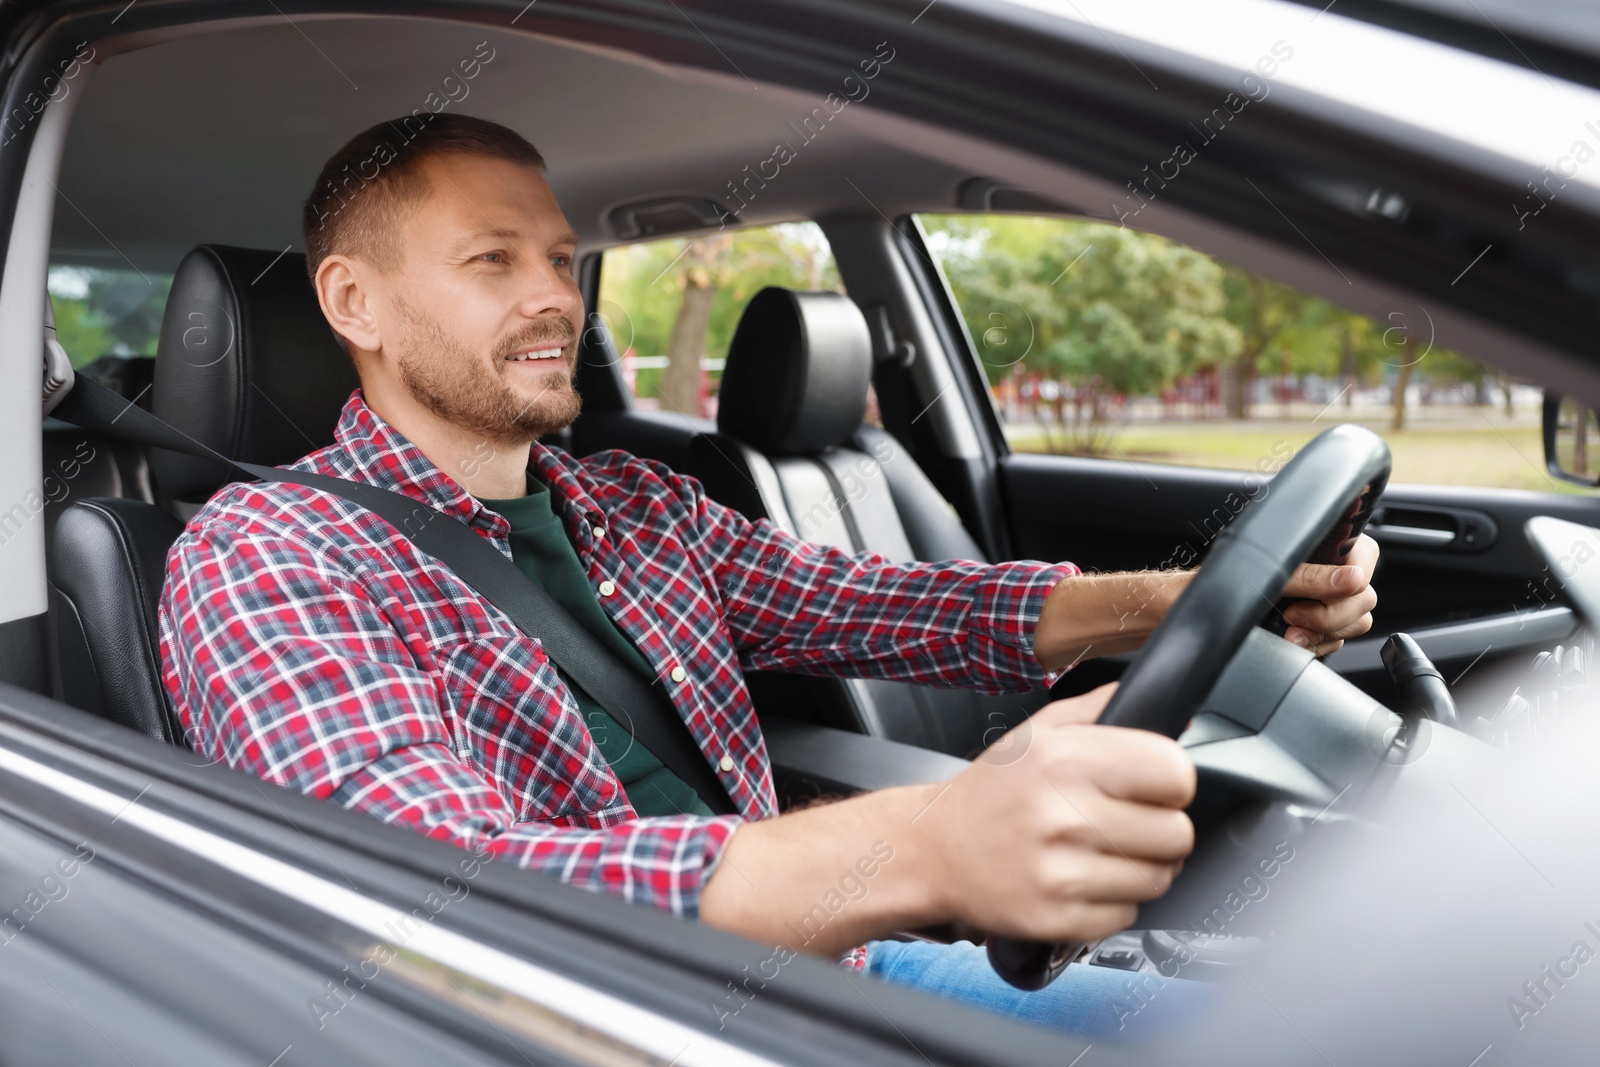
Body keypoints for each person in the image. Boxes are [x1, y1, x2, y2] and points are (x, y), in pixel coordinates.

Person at [158, 114, 1379, 1038]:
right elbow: (437, 893)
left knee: (1356, 1016)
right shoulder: (264, 555)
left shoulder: (634, 501)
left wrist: (1195, 600)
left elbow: (896, 607)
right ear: (354, 301)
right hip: (621, 1024)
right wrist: (926, 845)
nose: (553, 299)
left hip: (827, 961)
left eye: (562, 259)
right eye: (491, 261)